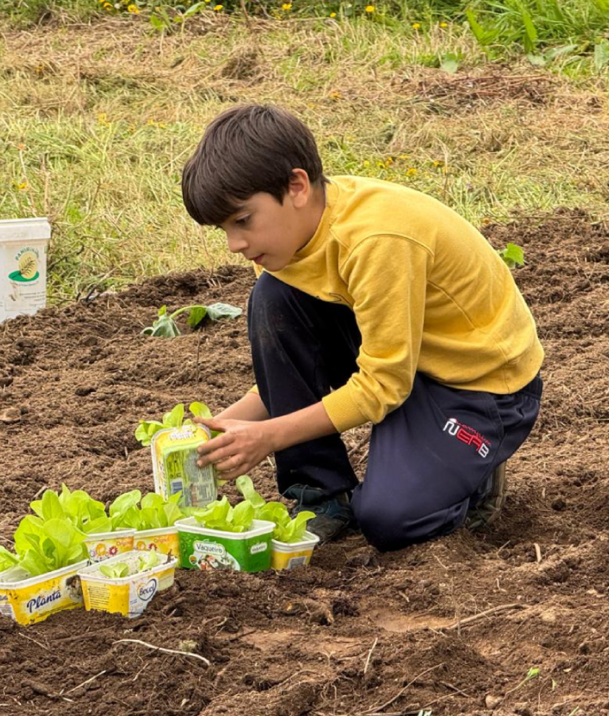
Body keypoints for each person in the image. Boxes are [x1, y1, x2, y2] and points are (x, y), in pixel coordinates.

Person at [181, 104, 543, 551]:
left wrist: (268, 436)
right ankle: (322, 494)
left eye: (242, 220)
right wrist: (219, 426)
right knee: (272, 298)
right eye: (223, 229)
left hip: (480, 387)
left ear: (296, 186)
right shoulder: (286, 244)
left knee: (391, 520)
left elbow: (382, 385)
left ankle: (472, 472)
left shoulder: (378, 239)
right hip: (401, 362)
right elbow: (292, 372)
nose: (235, 244)